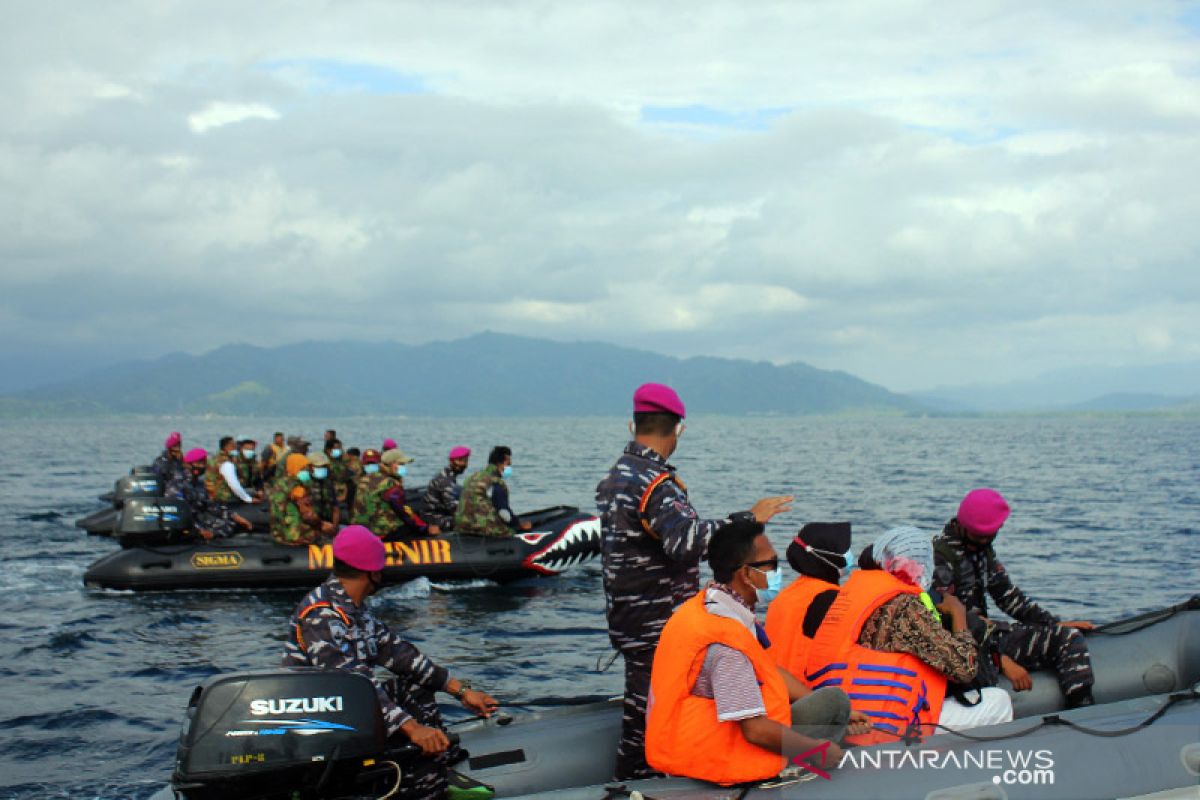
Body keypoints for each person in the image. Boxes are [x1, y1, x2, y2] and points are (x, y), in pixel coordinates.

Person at [595, 382, 793, 780]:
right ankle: (637, 781)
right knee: (650, 714)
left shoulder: (619, 475)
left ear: (632, 424)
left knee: (644, 703)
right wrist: (748, 520)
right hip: (658, 620)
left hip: (628, 613)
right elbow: (684, 542)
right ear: (678, 429)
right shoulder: (655, 484)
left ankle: (641, 774)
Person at [282, 526, 499, 800]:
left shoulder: (351, 607)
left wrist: (462, 692)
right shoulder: (322, 616)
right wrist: (413, 728)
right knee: (395, 709)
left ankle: (437, 763)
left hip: (346, 708)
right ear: (372, 572)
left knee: (414, 685)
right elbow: (354, 687)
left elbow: (401, 655)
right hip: (322, 721)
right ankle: (421, 785)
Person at [647, 521, 867, 785]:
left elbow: (769, 670)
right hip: (718, 753)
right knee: (834, 704)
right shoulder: (726, 646)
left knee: (832, 703)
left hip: (687, 736)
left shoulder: (708, 607)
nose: (777, 572)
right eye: (771, 564)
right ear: (746, 575)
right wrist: (815, 750)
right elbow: (755, 730)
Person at [806, 526, 1013, 744]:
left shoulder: (848, 598)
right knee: (998, 701)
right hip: (886, 726)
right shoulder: (904, 606)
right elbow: (964, 667)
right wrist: (958, 614)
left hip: (843, 719)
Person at [932, 488, 1096, 708]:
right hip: (969, 648)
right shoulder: (940, 560)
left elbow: (1008, 597)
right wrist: (999, 659)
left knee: (1068, 637)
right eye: (983, 535)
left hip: (991, 636)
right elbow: (949, 625)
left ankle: (1082, 707)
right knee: (1065, 639)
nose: (988, 539)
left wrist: (1051, 623)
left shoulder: (982, 551)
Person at [764, 522, 853, 681]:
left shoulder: (785, 595)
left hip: (777, 689)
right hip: (807, 694)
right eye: (844, 550)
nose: (849, 555)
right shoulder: (832, 599)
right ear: (829, 556)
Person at [166, 448, 252, 539]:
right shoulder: (177, 484)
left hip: (198, 518)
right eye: (199, 463)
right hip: (185, 523)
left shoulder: (198, 484)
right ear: (189, 464)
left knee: (230, 524)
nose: (202, 466)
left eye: (204, 463)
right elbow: (179, 512)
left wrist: (234, 516)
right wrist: (199, 530)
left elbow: (211, 506)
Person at [455, 446, 531, 537]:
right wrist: (518, 524)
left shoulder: (472, 477)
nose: (509, 468)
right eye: (509, 464)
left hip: (462, 527)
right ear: (504, 462)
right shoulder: (496, 482)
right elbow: (503, 512)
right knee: (509, 530)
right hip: (482, 528)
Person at [269, 454, 335, 546]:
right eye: (304, 468)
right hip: (294, 534)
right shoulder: (298, 489)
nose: (307, 471)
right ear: (297, 468)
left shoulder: (280, 483)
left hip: (278, 532)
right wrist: (322, 524)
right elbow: (308, 515)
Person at [424, 446, 470, 530]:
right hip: (434, 518)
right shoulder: (445, 480)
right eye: (461, 461)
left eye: (466, 461)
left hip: (437, 514)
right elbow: (452, 507)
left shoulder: (448, 475)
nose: (464, 464)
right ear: (451, 461)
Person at [205, 436, 255, 505]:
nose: (236, 448)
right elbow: (234, 485)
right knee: (253, 492)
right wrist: (249, 499)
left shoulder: (215, 458)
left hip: (212, 493)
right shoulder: (226, 463)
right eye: (233, 446)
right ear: (227, 447)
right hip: (223, 496)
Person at [307, 451, 340, 527]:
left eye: (324, 466)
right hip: (310, 524)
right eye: (319, 466)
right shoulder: (306, 483)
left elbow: (335, 508)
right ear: (310, 467)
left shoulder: (328, 482)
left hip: (328, 521)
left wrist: (334, 527)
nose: (323, 469)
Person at [325, 437, 355, 511]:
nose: (340, 450)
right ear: (329, 450)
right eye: (337, 448)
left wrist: (344, 496)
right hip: (329, 499)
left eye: (340, 448)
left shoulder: (343, 464)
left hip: (342, 498)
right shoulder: (324, 464)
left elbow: (349, 482)